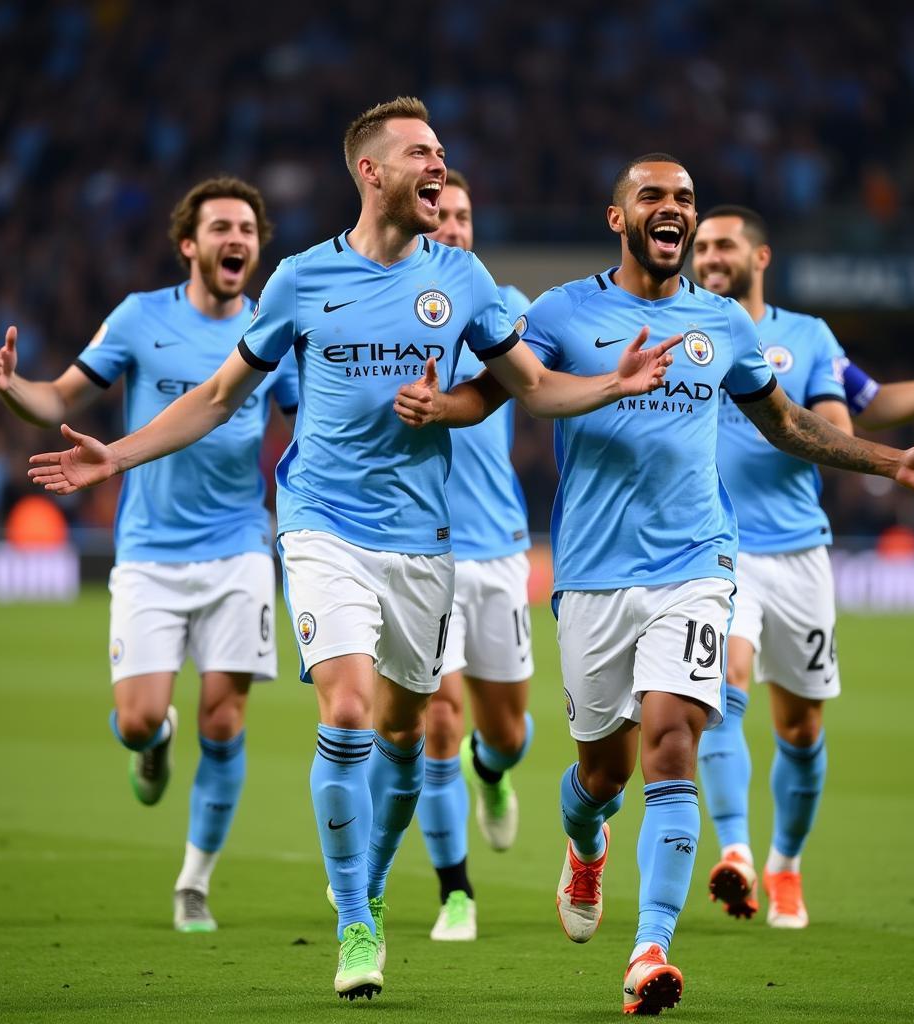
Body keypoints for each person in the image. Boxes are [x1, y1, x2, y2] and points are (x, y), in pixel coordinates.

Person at [24, 98, 683, 1002]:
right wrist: (118, 454)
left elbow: (530, 388)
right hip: (323, 525)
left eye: (443, 151)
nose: (438, 165)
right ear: (370, 172)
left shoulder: (463, 279)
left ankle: (370, 880)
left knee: (408, 736)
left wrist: (615, 380)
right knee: (344, 710)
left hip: (424, 539)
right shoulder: (300, 279)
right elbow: (220, 396)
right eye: (421, 153)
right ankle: (355, 919)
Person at [393, 154, 914, 1016]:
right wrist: (446, 408)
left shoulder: (722, 325)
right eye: (653, 196)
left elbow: (787, 424)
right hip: (592, 576)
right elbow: (514, 391)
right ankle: (584, 840)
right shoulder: (562, 312)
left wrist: (893, 462)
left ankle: (650, 948)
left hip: (695, 568)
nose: (674, 208)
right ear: (618, 219)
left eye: (685, 199)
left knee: (674, 745)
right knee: (603, 774)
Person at [0, 177, 299, 933]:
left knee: (224, 718)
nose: (237, 240)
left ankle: (194, 880)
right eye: (221, 227)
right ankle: (152, 745)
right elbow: (59, 400)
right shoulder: (138, 317)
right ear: (189, 243)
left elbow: (309, 426)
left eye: (248, 230)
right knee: (136, 720)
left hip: (238, 547)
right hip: (150, 550)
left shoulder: (268, 333)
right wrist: (10, 386)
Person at [690, 205, 914, 928]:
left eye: (725, 244)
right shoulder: (685, 329)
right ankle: (737, 855)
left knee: (803, 729)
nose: (709, 255)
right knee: (723, 688)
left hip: (801, 553)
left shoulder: (806, 336)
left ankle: (785, 862)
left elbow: (864, 410)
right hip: (717, 549)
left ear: (760, 257)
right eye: (701, 246)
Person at [413, 170, 534, 943]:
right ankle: (455, 892)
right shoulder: (388, 311)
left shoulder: (506, 309)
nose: (453, 227)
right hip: (421, 552)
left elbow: (551, 384)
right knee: (439, 722)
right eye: (441, 216)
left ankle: (493, 776)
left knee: (508, 732)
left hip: (498, 552)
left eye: (463, 215)